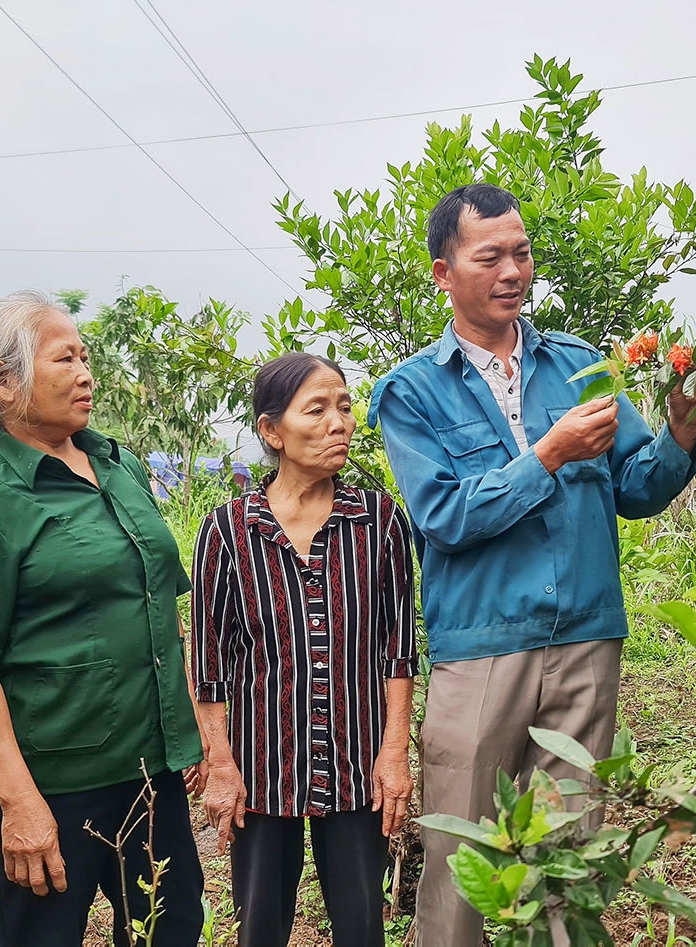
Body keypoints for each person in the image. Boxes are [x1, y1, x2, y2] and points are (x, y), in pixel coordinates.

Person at [367, 183, 696, 946]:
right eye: (488, 255)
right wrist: (548, 454)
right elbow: (446, 517)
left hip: (587, 636)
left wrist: (681, 435)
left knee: (569, 850)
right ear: (443, 272)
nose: (512, 270)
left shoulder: (581, 364)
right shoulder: (411, 391)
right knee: (464, 855)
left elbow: (635, 487)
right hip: (483, 646)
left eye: (520, 252)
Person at [0, 291, 207, 946]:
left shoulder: (121, 466)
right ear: (3, 379)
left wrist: (187, 730)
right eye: (65, 359)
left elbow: (159, 607)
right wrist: (20, 802)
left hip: (149, 775)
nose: (86, 373)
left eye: (86, 357)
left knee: (171, 927)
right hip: (55, 787)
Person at [192, 353, 418, 947]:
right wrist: (220, 765)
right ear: (272, 430)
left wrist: (394, 754)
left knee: (362, 924)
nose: (337, 423)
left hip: (356, 764)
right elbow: (209, 662)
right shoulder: (227, 531)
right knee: (259, 925)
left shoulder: (379, 522)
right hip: (261, 769)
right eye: (315, 410)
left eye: (343, 407)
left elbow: (398, 650)